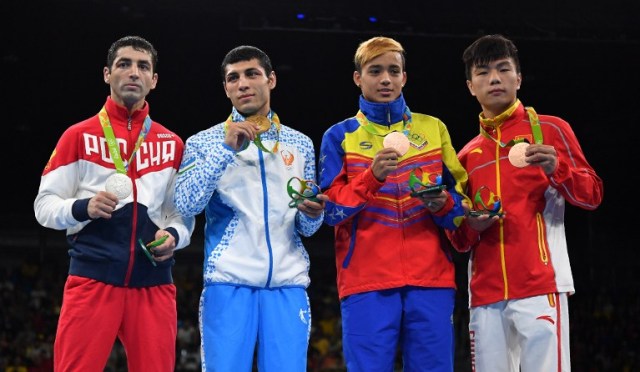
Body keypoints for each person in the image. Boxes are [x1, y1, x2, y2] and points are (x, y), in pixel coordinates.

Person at [33, 35, 195, 371]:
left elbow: (181, 215)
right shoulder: (78, 136)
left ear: (154, 80)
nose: (133, 72)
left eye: (143, 66)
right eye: (124, 64)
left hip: (154, 286)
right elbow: (44, 206)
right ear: (107, 74)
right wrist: (83, 208)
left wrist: (175, 237)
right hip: (92, 281)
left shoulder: (173, 144)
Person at [448, 34, 604, 371]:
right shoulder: (465, 156)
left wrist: (557, 168)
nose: (494, 79)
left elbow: (591, 196)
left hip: (540, 284)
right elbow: (460, 240)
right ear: (470, 86)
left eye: (503, 70)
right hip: (486, 295)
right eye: (483, 72)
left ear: (518, 78)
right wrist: (471, 225)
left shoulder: (550, 129)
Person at [318, 36, 469, 371]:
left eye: (393, 70)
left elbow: (461, 205)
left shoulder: (434, 129)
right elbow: (329, 211)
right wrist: (371, 177)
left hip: (432, 279)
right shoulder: (339, 136)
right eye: (375, 70)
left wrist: (443, 204)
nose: (385, 79)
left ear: (404, 77)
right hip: (366, 281)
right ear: (358, 77)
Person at [173, 45, 327, 371]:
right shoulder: (203, 142)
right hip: (228, 284)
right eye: (233, 78)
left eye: (252, 74)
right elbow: (186, 204)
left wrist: (312, 213)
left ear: (271, 80)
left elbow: (308, 228)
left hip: (288, 286)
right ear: (226, 89)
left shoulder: (301, 144)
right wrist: (225, 151)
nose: (243, 83)